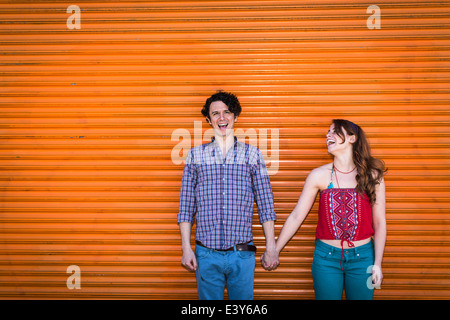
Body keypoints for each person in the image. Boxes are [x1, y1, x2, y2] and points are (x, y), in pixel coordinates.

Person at [177, 91, 279, 300]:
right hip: (205, 255)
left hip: (241, 255)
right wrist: (187, 249)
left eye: (227, 112)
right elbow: (186, 207)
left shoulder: (253, 154)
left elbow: (265, 204)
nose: (222, 118)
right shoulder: (195, 155)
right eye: (215, 113)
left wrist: (271, 248)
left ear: (235, 117)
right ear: (208, 119)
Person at [274, 119, 387, 300]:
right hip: (326, 259)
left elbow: (380, 222)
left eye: (334, 131)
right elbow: (296, 216)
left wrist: (377, 264)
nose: (328, 135)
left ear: (352, 138)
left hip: (363, 258)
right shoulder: (319, 175)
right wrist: (275, 249)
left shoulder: (373, 176)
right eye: (328, 132)